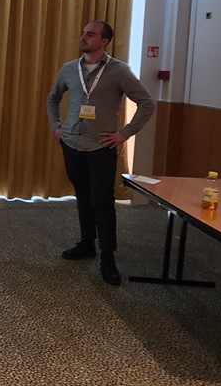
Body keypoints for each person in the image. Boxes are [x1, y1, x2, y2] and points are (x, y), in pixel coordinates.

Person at [46, 20, 154, 286]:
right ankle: (86, 244)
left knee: (102, 201)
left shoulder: (119, 71)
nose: (83, 37)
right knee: (83, 196)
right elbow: (53, 98)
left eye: (90, 34)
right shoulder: (69, 68)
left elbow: (146, 103)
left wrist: (124, 133)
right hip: (72, 144)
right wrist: (56, 127)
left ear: (104, 41)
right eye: (83, 33)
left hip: (101, 147)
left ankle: (108, 257)